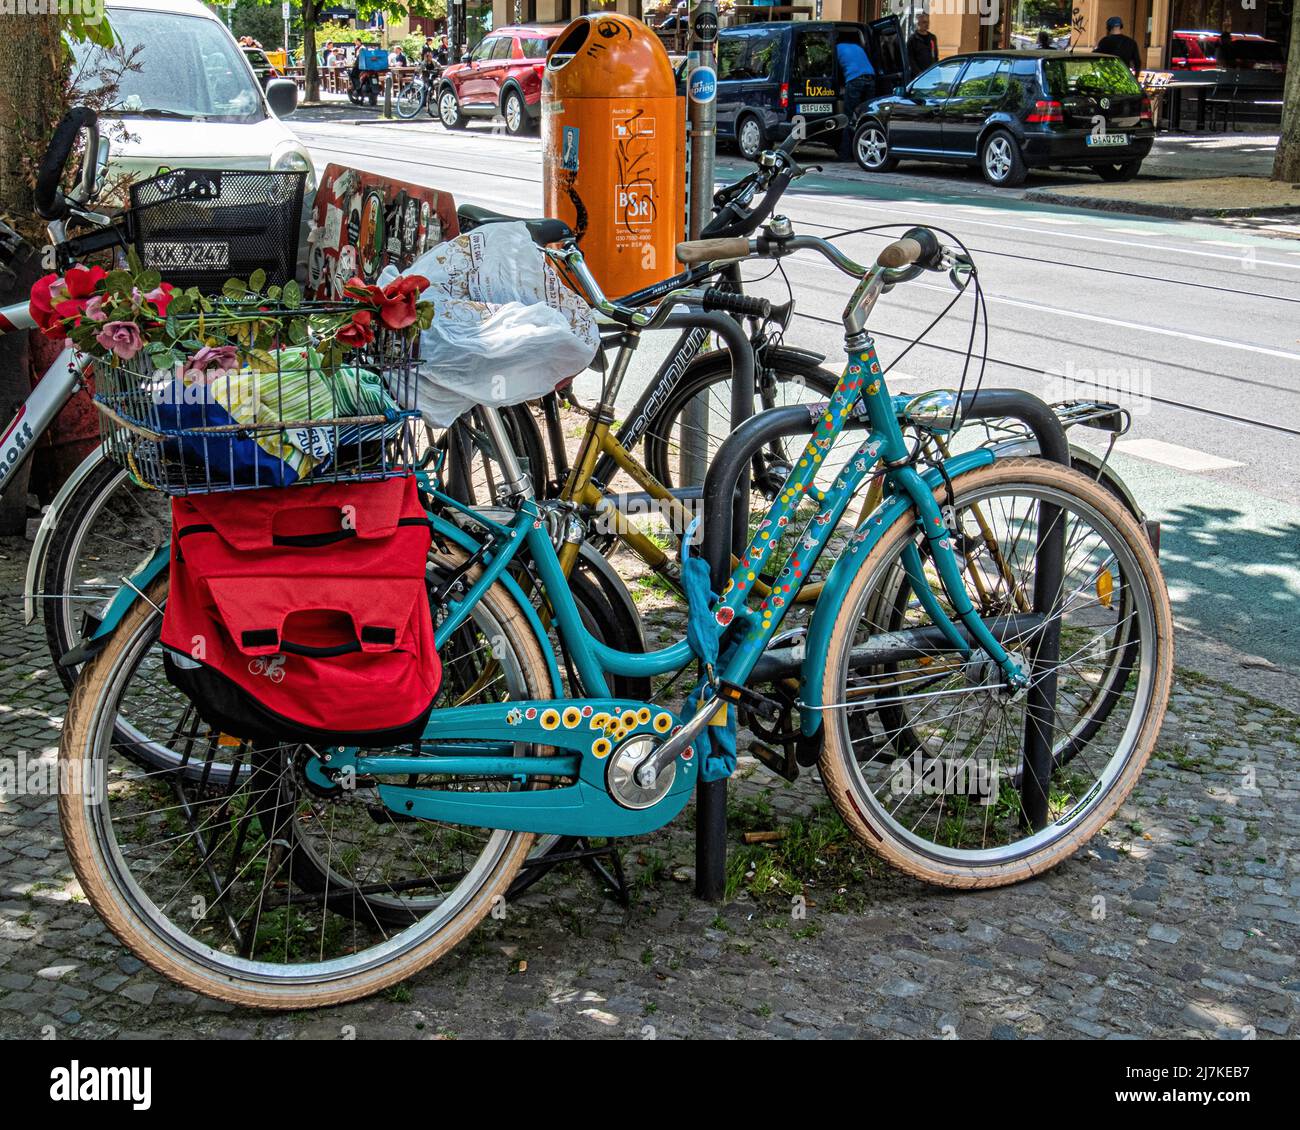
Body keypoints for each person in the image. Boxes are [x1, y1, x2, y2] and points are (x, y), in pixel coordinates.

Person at [836, 38, 875, 159]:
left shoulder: (836, 49)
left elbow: (835, 71)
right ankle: (866, 151)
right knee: (866, 117)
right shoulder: (857, 47)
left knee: (849, 117)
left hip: (855, 79)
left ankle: (846, 154)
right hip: (871, 78)